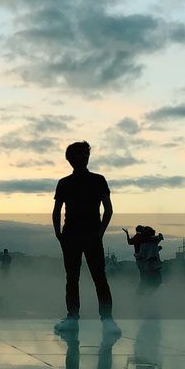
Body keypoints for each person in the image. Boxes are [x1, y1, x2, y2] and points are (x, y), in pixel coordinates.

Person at [52, 142, 117, 334]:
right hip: (72, 235)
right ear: (70, 159)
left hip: (89, 235)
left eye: (84, 154)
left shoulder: (98, 180)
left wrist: (99, 233)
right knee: (73, 278)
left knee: (98, 277)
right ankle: (73, 317)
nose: (82, 157)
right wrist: (59, 234)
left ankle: (107, 319)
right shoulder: (64, 183)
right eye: (78, 154)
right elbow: (56, 211)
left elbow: (108, 209)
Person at [124, 225, 164, 292]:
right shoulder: (150, 240)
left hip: (146, 264)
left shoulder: (143, 241)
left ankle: (142, 296)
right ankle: (145, 295)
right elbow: (156, 242)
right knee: (155, 282)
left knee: (145, 281)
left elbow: (140, 253)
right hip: (151, 265)